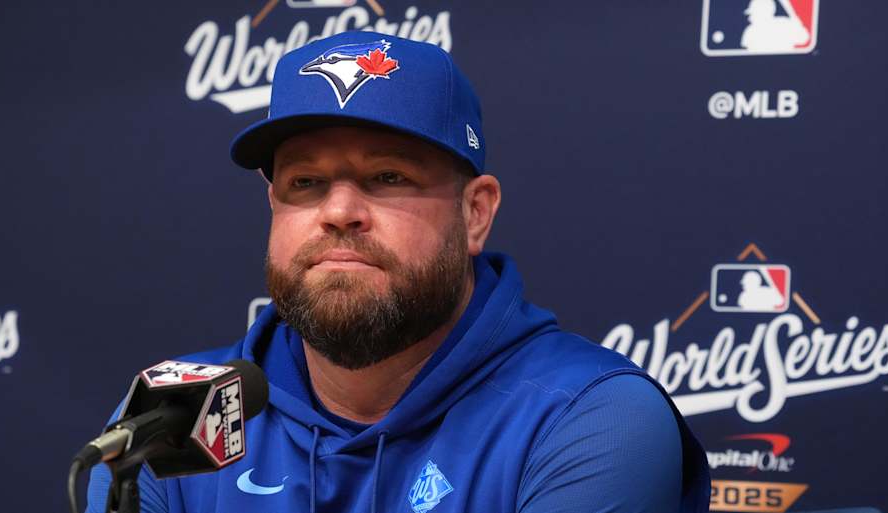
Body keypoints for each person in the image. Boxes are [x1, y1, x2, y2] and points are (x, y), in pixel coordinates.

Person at [87, 31, 710, 513]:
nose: (338, 212)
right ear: (273, 205)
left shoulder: (588, 417)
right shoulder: (174, 412)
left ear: (475, 212)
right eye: (305, 182)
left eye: (388, 177)